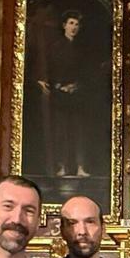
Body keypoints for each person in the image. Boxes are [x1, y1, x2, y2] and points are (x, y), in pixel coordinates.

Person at [38, 11, 92, 178]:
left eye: (76, 24)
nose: (73, 27)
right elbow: (50, 69)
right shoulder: (55, 47)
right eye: (71, 23)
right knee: (61, 131)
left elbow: (87, 72)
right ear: (64, 25)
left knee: (79, 131)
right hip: (59, 94)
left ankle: (80, 166)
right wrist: (58, 85)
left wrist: (76, 85)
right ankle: (61, 166)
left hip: (77, 95)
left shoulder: (83, 48)